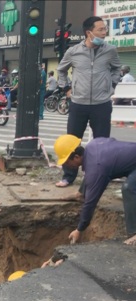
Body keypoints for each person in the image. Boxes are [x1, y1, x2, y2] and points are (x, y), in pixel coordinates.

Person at [55, 16, 121, 188]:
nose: (104, 33)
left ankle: (98, 178)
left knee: (102, 143)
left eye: (105, 29)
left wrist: (112, 86)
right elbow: (61, 70)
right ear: (89, 33)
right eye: (101, 29)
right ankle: (68, 176)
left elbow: (117, 69)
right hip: (78, 104)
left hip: (101, 104)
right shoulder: (74, 52)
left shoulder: (110, 50)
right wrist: (66, 89)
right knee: (72, 142)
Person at [54, 134, 136, 246]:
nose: (67, 166)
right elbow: (91, 174)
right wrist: (81, 193)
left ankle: (134, 233)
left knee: (129, 189)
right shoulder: (93, 145)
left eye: (67, 162)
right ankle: (80, 194)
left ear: (77, 157)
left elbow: (90, 202)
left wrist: (79, 229)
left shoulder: (97, 167)